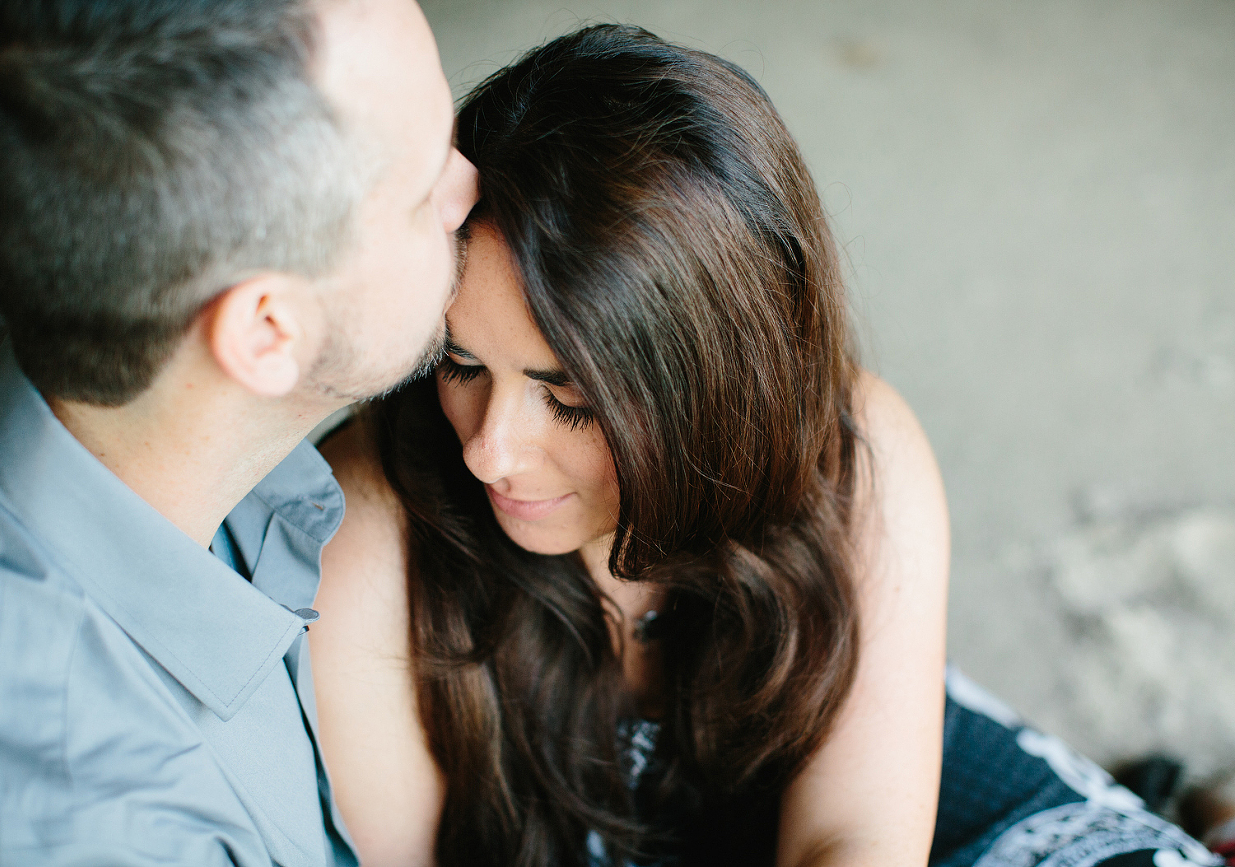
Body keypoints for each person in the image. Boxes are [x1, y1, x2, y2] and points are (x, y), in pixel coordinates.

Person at [311, 24, 1221, 867]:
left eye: (575, 401)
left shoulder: (852, 451)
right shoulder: (366, 527)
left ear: (716, 382)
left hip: (898, 789)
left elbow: (855, 834)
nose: (489, 451)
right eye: (460, 363)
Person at [0, 0, 477, 864]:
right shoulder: (82, 825)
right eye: (420, 192)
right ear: (267, 332)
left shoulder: (96, 297)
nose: (467, 187)